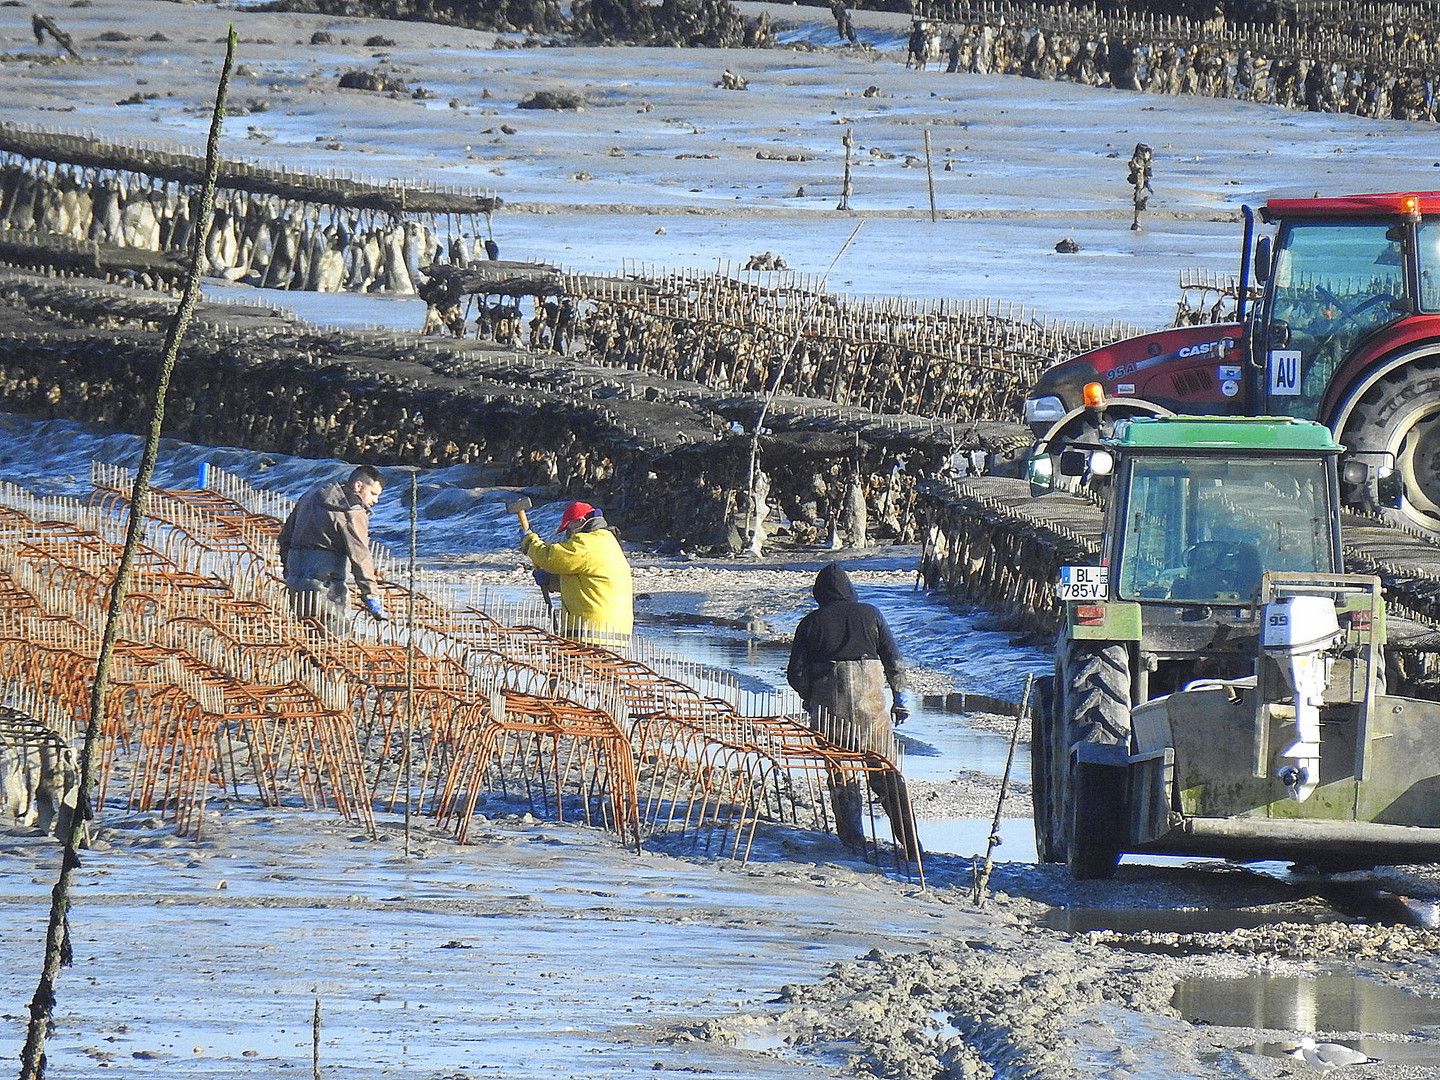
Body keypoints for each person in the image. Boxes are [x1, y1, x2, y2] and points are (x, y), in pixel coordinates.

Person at [786, 563, 920, 861]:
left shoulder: (811, 622)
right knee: (886, 774)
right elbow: (894, 661)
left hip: (830, 715)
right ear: (850, 589)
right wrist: (902, 699)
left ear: (819, 592)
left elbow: (795, 673)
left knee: (841, 775)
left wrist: (810, 696)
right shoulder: (871, 615)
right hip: (871, 713)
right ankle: (911, 846)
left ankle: (853, 842)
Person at [278, 465, 386, 636]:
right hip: (326, 581)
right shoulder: (350, 511)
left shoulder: (309, 497)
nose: (375, 501)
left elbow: (285, 538)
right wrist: (370, 595)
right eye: (373, 494)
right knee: (333, 635)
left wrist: (288, 569)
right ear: (358, 486)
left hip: (297, 575)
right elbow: (360, 555)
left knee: (307, 630)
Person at [520, 501, 633, 645]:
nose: (568, 533)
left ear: (580, 521)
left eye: (569, 527)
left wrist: (530, 542)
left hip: (591, 632)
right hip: (614, 631)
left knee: (583, 668)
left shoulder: (588, 542)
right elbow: (588, 581)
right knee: (601, 669)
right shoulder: (608, 541)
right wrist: (552, 581)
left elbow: (550, 557)